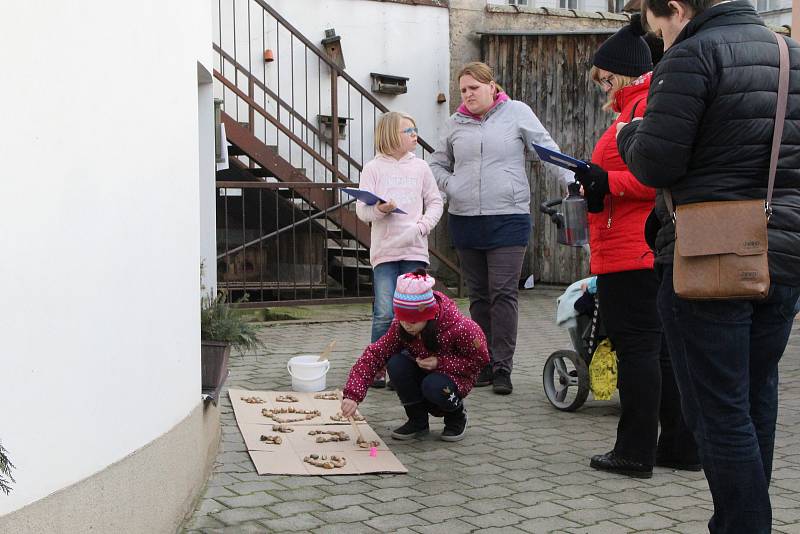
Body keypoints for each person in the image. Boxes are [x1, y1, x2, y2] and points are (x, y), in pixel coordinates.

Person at [616, 0, 800, 531]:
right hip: (783, 251)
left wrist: (631, 131)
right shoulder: (790, 53)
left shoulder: (692, 55)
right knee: (754, 395)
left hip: (708, 255)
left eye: (653, 23)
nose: (654, 35)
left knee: (717, 413)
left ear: (675, 8)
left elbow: (656, 163)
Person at [574, 15, 698, 479]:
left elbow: (656, 176)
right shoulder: (632, 109)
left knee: (638, 350)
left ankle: (634, 450)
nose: (601, 86)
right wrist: (594, 184)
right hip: (634, 245)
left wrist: (607, 183)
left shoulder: (643, 106)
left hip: (633, 249)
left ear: (620, 73)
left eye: (603, 78)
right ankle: (680, 446)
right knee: (662, 349)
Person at [429, 62, 572, 395]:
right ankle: (481, 362)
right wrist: (452, 185)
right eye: (463, 90)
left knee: (503, 293)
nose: (467, 95)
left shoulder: (516, 112)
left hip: (508, 217)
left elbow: (546, 148)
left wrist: (571, 180)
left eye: (473, 88)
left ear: (492, 86)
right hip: (465, 219)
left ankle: (502, 367)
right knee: (478, 296)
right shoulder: (454, 124)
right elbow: (436, 162)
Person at [341, 269, 489, 441]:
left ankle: (456, 416)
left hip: (453, 377)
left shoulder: (461, 328)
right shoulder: (401, 327)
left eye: (412, 321)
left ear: (429, 314)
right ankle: (417, 420)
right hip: (423, 372)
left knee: (434, 385)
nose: (407, 326)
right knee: (395, 364)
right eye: (401, 319)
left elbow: (480, 360)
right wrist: (352, 396)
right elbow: (373, 355)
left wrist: (440, 363)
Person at [355, 111, 444, 388]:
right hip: (385, 253)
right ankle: (378, 367)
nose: (415, 134)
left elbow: (436, 202)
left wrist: (422, 227)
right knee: (384, 312)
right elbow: (362, 210)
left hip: (415, 251)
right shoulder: (372, 168)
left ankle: (405, 369)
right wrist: (380, 209)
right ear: (392, 134)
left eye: (415, 129)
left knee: (414, 313)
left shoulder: (421, 168)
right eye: (409, 130)